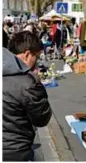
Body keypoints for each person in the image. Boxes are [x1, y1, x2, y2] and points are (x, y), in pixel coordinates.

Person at [3, 31, 52, 161]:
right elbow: (41, 118)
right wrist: (37, 85)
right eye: (37, 56)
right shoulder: (27, 83)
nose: (37, 62)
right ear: (27, 54)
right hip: (16, 151)